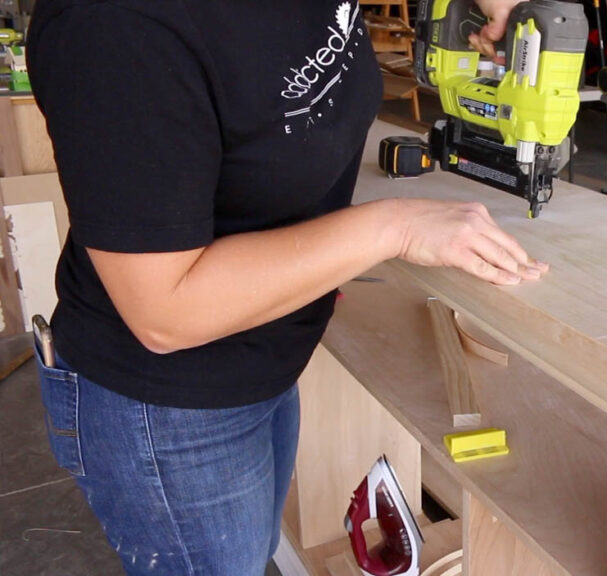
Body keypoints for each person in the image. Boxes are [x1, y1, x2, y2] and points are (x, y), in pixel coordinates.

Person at [26, 0, 543, 574]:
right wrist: (395, 226)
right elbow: (165, 310)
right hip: (169, 412)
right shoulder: (114, 27)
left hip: (266, 359)